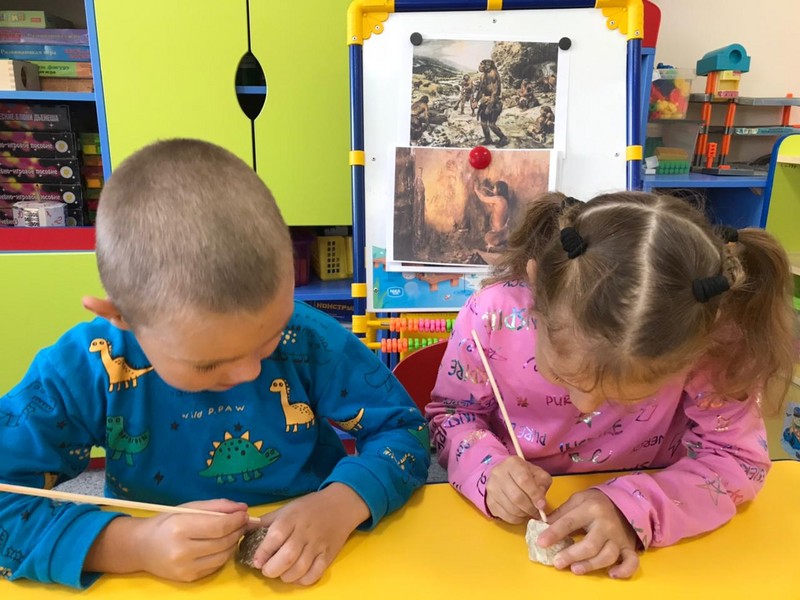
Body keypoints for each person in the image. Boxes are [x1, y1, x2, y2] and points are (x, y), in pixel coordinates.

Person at [0, 139, 430, 589]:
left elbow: (403, 429)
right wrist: (132, 544)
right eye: (207, 365)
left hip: (322, 565)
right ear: (122, 318)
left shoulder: (307, 335)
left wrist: (341, 503)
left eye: (268, 340)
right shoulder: (85, 368)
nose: (249, 373)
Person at [426, 191, 794, 578]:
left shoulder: (710, 345)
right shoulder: (494, 317)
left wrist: (632, 509)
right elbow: (453, 415)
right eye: (564, 377)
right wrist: (488, 469)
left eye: (627, 397)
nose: (585, 406)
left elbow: (738, 461)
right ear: (537, 290)